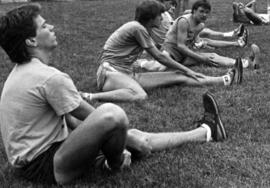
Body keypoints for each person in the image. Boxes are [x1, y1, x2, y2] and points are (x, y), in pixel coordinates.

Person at [0, 3, 229, 185]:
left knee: (132, 134)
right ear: (31, 40)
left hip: (43, 157)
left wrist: (124, 139)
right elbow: (98, 119)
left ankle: (205, 132)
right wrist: (126, 143)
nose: (51, 27)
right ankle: (114, 164)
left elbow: (70, 119)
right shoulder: (48, 78)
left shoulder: (24, 73)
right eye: (44, 26)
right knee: (113, 115)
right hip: (46, 165)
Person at [81, 0, 242, 103]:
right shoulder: (136, 28)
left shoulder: (143, 28)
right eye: (160, 15)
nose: (163, 18)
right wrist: (187, 68)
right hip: (109, 74)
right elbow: (159, 57)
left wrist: (184, 70)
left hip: (126, 74)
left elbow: (156, 51)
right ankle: (91, 96)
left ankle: (223, 80)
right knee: (140, 95)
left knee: (177, 76)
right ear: (151, 18)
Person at [162, 0, 259, 69]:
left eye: (207, 12)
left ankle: (245, 63)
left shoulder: (200, 25)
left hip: (181, 56)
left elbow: (193, 42)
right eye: (201, 11)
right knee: (209, 57)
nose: (204, 15)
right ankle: (244, 62)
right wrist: (201, 58)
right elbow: (181, 46)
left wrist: (200, 45)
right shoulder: (184, 21)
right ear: (194, 11)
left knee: (211, 55)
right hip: (170, 57)